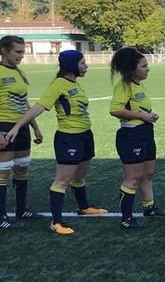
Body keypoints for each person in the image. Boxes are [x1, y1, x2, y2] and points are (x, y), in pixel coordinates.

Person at [2, 50, 107, 235]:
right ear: (72, 65)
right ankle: (56, 222)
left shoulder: (75, 84)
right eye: (82, 63)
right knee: (62, 180)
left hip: (85, 135)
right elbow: (39, 106)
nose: (86, 66)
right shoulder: (58, 85)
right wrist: (19, 126)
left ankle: (84, 207)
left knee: (80, 176)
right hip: (69, 138)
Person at [110, 48, 165, 229]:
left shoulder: (139, 85)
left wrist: (150, 115)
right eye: (144, 66)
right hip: (131, 136)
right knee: (132, 178)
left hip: (145, 133)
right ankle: (126, 218)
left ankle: (149, 207)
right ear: (131, 69)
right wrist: (141, 116)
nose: (148, 69)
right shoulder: (123, 85)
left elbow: (138, 108)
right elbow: (115, 109)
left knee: (148, 174)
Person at [0, 36, 44, 229]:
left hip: (22, 127)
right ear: (4, 50)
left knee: (22, 167)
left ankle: (21, 209)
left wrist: (35, 127)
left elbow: (24, 103)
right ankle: (1, 217)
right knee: (3, 171)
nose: (21, 56)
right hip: (4, 126)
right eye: (17, 52)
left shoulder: (20, 73)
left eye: (23, 52)